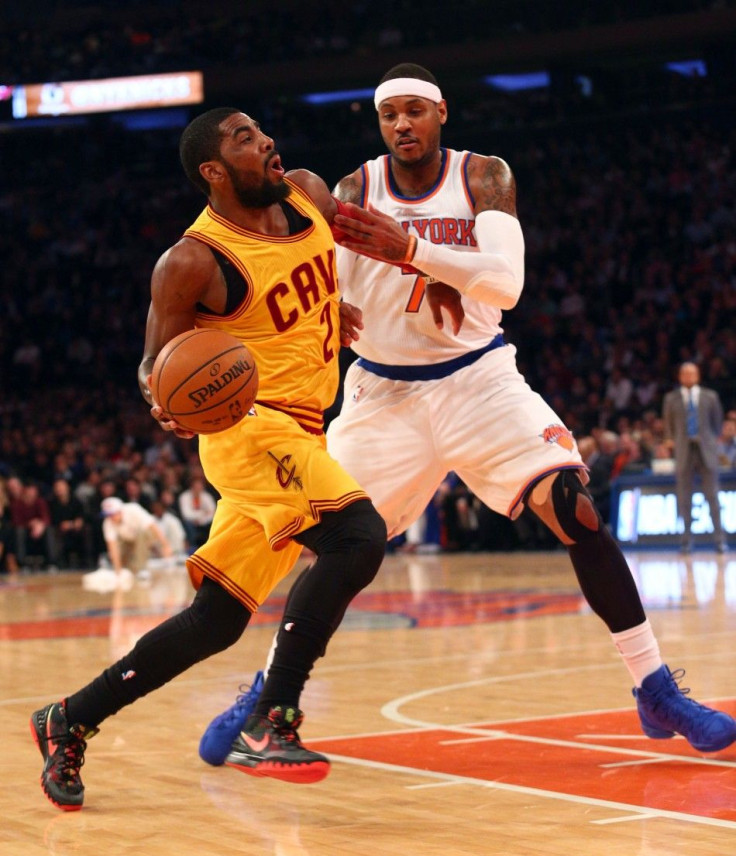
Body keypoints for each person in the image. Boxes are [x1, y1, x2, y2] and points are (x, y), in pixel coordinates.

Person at [199, 64, 736, 768]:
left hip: (478, 379)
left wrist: (409, 249)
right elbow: (300, 271)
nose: (403, 126)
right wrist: (332, 300)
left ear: (441, 113)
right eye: (391, 116)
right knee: (332, 553)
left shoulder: (484, 177)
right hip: (383, 394)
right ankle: (268, 697)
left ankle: (655, 687)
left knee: (575, 509)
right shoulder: (353, 189)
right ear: (379, 124)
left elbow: (505, 285)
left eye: (416, 112)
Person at [30, 106, 387, 811]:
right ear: (214, 172)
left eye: (261, 130)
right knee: (357, 537)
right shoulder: (192, 261)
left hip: (306, 428)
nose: (267, 142)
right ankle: (271, 717)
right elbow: (154, 364)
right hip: (248, 431)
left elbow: (310, 276)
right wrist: (161, 397)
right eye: (245, 140)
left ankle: (70, 719)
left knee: (217, 619)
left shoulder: (309, 193)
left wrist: (331, 310)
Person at [662, 361, 727, 554]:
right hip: (683, 450)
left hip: (706, 450)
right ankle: (686, 541)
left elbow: (717, 424)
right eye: (685, 374)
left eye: (692, 374)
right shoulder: (671, 398)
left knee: (713, 497)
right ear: (680, 377)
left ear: (698, 376)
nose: (689, 377)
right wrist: (672, 442)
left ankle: (719, 541)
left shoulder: (710, 396)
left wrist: (710, 442)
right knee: (684, 498)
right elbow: (668, 426)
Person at [100, 495, 174, 575]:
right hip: (128, 540)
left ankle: (142, 568)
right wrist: (118, 571)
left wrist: (165, 545)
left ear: (120, 511)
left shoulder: (133, 509)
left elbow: (152, 525)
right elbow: (112, 546)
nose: (111, 517)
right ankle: (128, 568)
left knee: (141, 533)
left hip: (146, 535)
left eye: (112, 514)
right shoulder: (108, 523)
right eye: (108, 515)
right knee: (124, 562)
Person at [177, 475, 217, 551]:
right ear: (192, 487)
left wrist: (202, 520)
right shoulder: (184, 496)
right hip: (190, 523)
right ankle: (192, 548)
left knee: (214, 523)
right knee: (187, 524)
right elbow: (186, 514)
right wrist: (203, 513)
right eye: (196, 486)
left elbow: (212, 512)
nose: (198, 488)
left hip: (205, 523)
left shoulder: (207, 496)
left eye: (200, 486)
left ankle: (211, 547)